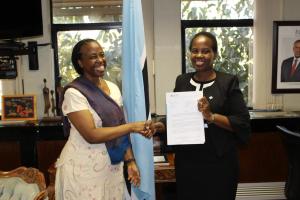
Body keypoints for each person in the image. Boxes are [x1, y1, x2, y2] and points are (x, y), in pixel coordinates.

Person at [153, 31, 251, 200]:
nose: (199, 55)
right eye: (194, 50)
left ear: (215, 54)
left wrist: (211, 116)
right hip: (187, 162)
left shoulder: (227, 82)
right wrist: (160, 126)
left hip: (219, 163)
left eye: (205, 51)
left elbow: (242, 122)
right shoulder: (182, 81)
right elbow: (176, 117)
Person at [55, 38, 153, 200]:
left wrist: (130, 161)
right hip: (82, 169)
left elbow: (119, 128)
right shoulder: (74, 93)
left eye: (101, 55)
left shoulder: (113, 88)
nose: (100, 60)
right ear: (80, 62)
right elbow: (92, 135)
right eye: (93, 56)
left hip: (111, 168)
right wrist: (132, 126)